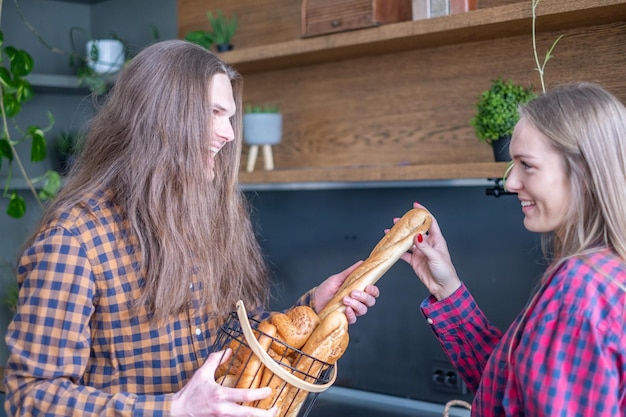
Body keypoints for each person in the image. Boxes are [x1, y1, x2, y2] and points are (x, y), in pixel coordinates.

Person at [3, 39, 379, 417]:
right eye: (214, 113)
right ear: (162, 116)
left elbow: (234, 342)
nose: (229, 133)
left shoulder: (209, 217)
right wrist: (173, 409)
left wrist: (312, 309)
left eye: (229, 116)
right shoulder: (75, 239)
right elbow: (29, 396)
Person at [401, 82, 626, 416]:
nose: (510, 183)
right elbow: (510, 392)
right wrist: (446, 288)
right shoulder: (604, 272)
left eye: (527, 165)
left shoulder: (578, 293)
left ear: (585, 172)